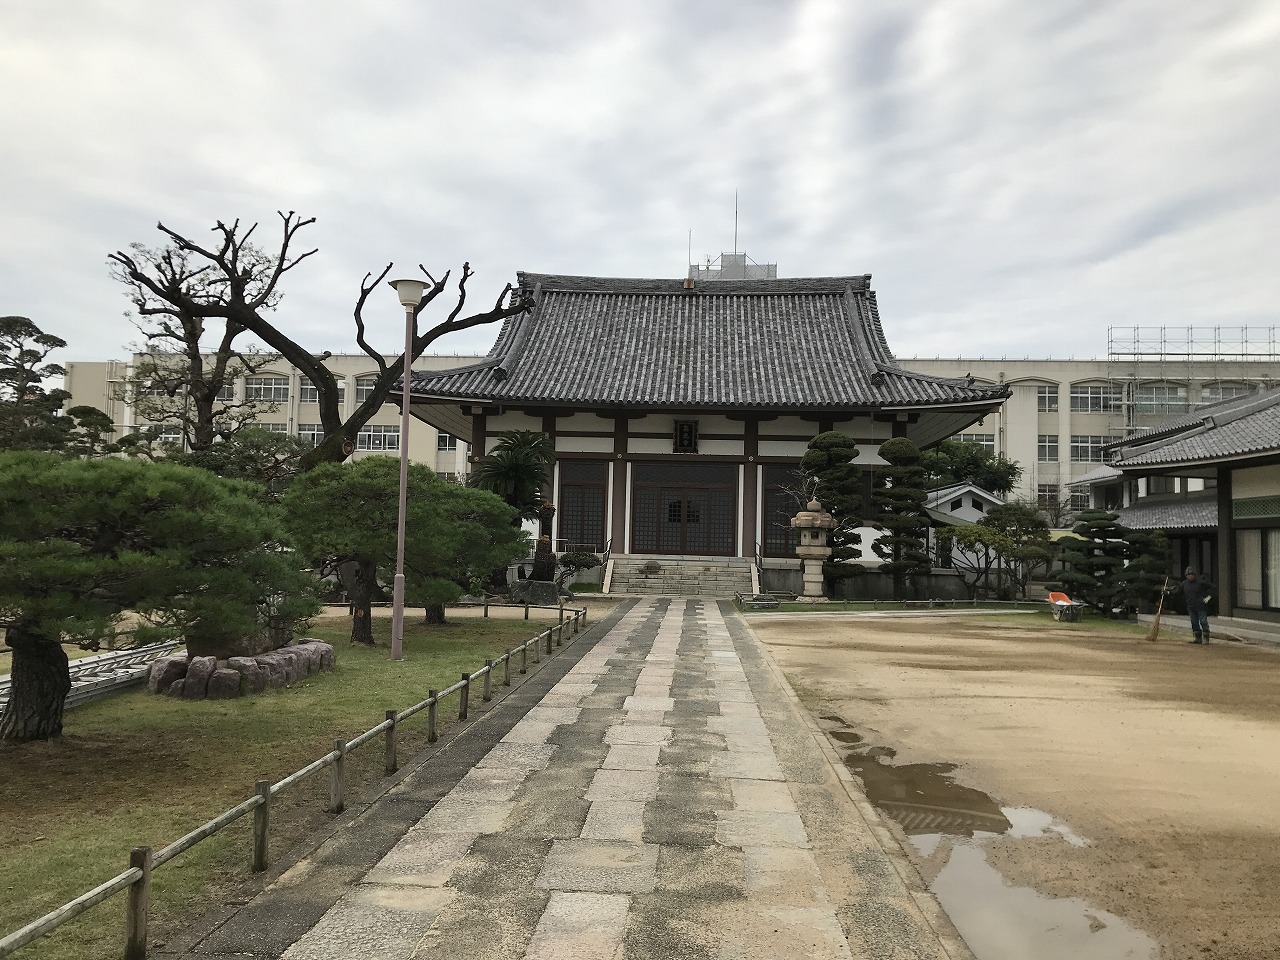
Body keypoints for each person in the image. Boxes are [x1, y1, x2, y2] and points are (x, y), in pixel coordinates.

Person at [1179, 567, 1215, 644]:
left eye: (1192, 574)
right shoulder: (1184, 584)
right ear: (1186, 576)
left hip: (1201, 606)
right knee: (1194, 622)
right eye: (1188, 574)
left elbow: (1213, 588)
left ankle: (1206, 638)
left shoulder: (1201, 582)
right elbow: (1178, 592)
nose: (1190, 576)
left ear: (1195, 575)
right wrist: (1167, 592)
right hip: (1191, 606)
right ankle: (1197, 638)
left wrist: (1208, 597)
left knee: (1203, 621)